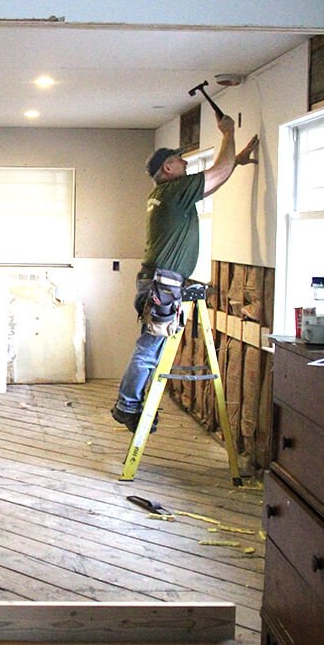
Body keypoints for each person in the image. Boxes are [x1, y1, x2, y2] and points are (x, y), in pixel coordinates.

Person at [111, 112, 259, 433]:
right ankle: (127, 405)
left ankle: (129, 403)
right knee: (149, 348)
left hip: (160, 281)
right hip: (163, 283)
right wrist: (228, 135)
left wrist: (235, 159)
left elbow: (218, 174)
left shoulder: (165, 195)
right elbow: (217, 173)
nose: (185, 163)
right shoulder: (174, 191)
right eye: (180, 160)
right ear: (168, 168)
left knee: (151, 347)